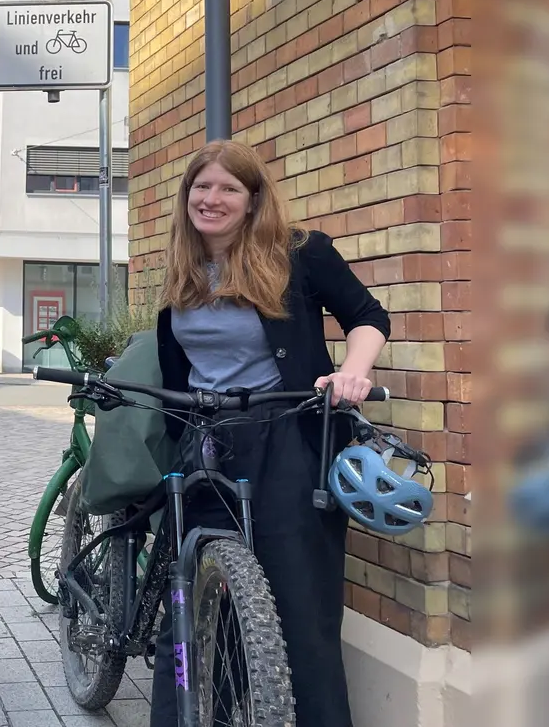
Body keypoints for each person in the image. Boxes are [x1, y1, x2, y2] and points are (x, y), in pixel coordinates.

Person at [148, 139, 390, 727]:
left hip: (285, 437)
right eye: (201, 187)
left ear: (253, 200)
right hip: (206, 438)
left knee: (299, 608)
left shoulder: (300, 253)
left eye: (228, 188)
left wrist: (352, 374)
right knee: (188, 598)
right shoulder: (184, 266)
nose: (211, 199)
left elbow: (368, 317)